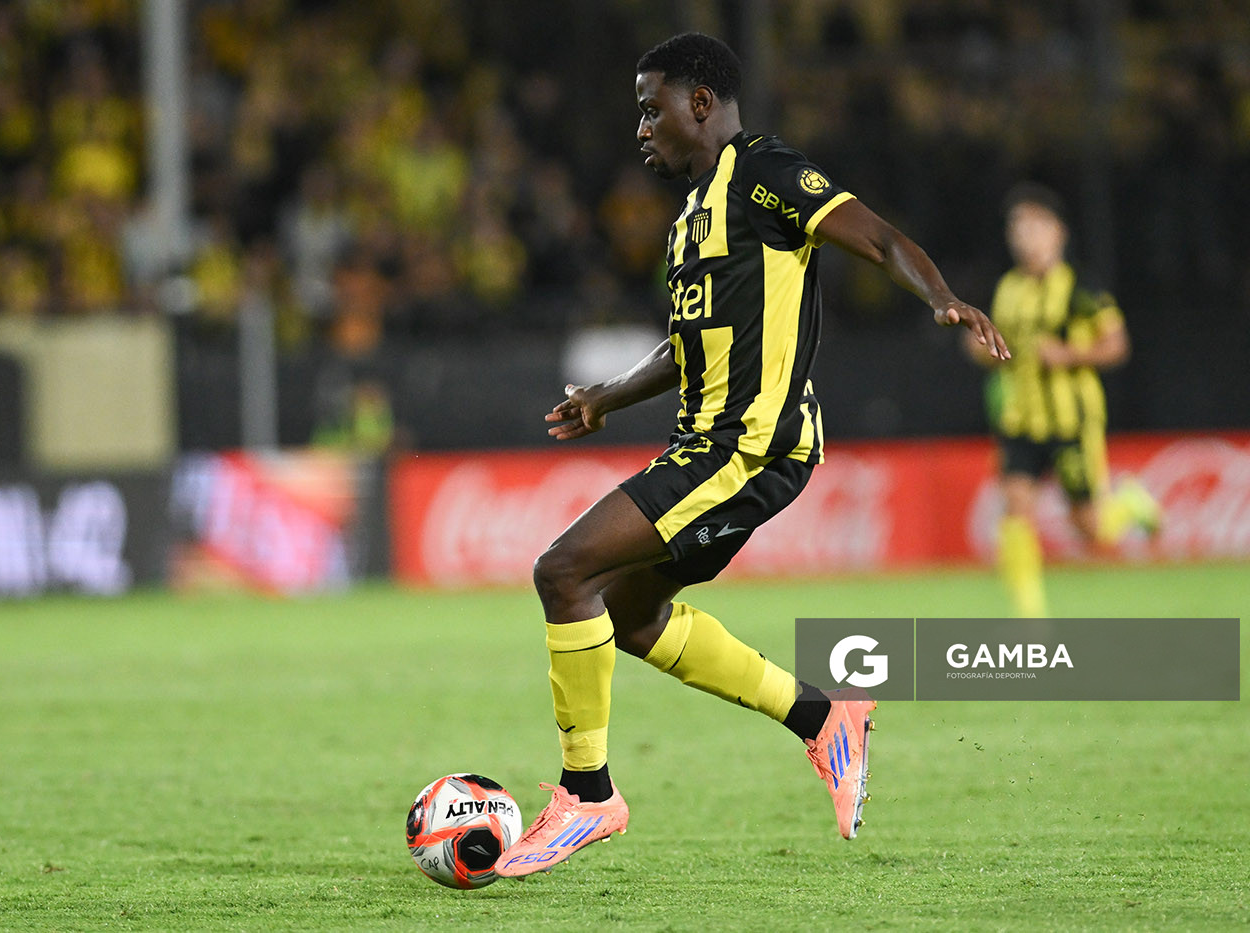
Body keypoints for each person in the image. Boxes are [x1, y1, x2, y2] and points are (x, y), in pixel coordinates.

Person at [494, 33, 1010, 879]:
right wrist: (607, 396)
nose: (641, 128)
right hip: (713, 444)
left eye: (650, 108)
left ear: (700, 102)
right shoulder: (691, 219)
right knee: (630, 614)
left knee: (564, 570)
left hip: (748, 444)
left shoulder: (762, 171)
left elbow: (878, 238)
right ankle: (823, 717)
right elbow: (689, 343)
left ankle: (587, 794)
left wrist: (942, 296)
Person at [972, 183, 1159, 618]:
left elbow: (1117, 345)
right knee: (1015, 508)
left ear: (1058, 232)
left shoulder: (1080, 287)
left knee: (1091, 529)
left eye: (1035, 226)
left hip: (1071, 420)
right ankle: (1029, 619)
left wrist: (1069, 355)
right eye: (1017, 228)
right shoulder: (1008, 288)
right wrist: (982, 347)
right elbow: (991, 347)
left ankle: (1130, 504)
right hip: (1020, 418)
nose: (1025, 237)